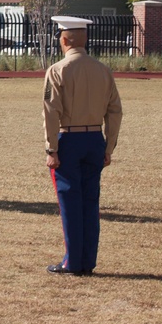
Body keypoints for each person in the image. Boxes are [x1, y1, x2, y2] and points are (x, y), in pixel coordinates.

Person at [42, 15, 123, 276]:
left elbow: (51, 112)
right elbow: (114, 111)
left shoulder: (57, 70)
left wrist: (51, 149)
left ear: (64, 40)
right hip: (94, 140)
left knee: (70, 203)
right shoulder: (103, 70)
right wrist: (108, 147)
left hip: (69, 140)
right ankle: (87, 260)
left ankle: (72, 262)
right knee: (90, 203)